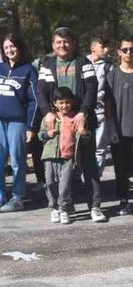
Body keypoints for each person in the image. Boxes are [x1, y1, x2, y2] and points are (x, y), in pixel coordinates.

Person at [36, 27, 105, 222]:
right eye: (58, 42)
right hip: (58, 124)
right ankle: (63, 206)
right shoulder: (47, 65)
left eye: (66, 41)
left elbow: (92, 88)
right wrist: (47, 113)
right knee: (57, 170)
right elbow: (41, 92)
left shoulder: (84, 62)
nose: (62, 45)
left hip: (81, 122)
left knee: (89, 165)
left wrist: (83, 112)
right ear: (53, 45)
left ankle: (95, 206)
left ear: (73, 43)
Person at [0, 33, 39, 213]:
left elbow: (34, 101)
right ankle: (0, 195)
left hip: (18, 121)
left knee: (17, 160)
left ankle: (18, 197)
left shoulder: (28, 70)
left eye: (12, 46)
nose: (10, 50)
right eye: (6, 47)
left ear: (19, 47)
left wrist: (31, 126)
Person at [39, 87, 93, 225]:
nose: (65, 106)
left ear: (73, 102)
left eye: (68, 102)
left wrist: (84, 132)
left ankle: (64, 209)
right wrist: (47, 135)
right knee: (50, 182)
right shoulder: (50, 118)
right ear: (55, 103)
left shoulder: (76, 118)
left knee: (65, 185)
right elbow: (41, 135)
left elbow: (86, 140)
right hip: (50, 156)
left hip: (68, 156)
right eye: (61, 103)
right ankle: (54, 208)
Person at [105, 36, 133, 216]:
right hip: (120, 130)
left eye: (132, 49)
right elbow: (108, 104)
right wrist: (110, 127)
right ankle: (124, 200)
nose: (129, 52)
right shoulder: (112, 75)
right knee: (121, 169)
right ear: (119, 52)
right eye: (125, 49)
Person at [87, 36, 115, 176]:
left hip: (100, 110)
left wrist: (109, 117)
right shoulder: (82, 63)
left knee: (99, 147)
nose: (106, 49)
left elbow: (109, 93)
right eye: (102, 46)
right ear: (93, 48)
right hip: (83, 110)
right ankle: (77, 179)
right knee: (81, 146)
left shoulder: (108, 66)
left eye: (107, 46)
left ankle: (96, 178)